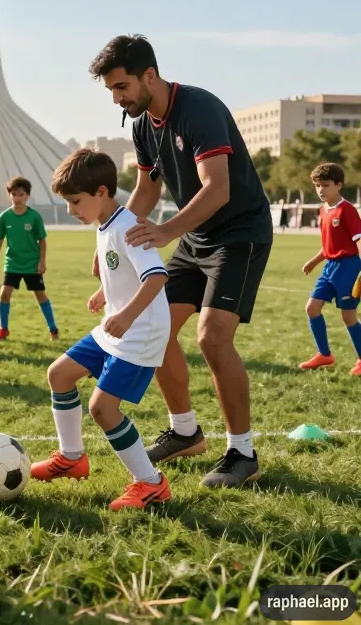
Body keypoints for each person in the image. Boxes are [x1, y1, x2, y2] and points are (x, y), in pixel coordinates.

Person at [89, 34, 272, 488]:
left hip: (239, 234)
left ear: (148, 75)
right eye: (112, 90)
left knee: (212, 339)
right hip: (195, 236)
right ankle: (185, 431)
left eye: (122, 87)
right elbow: (148, 191)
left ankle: (242, 453)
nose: (118, 98)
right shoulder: (141, 125)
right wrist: (115, 240)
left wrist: (168, 230)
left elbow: (218, 188)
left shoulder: (200, 109)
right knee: (155, 329)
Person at [31, 149, 172, 510]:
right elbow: (124, 272)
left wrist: (125, 315)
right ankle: (72, 457)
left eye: (75, 201)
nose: (70, 210)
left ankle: (151, 483)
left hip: (140, 332)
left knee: (103, 409)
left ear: (102, 193)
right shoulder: (105, 223)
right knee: (59, 375)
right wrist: (104, 293)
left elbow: (156, 276)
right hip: (118, 325)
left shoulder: (128, 227)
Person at [300, 163, 361, 376]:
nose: (320, 190)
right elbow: (328, 246)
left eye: (325, 185)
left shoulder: (347, 210)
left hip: (349, 267)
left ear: (338, 185)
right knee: (312, 308)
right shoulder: (323, 211)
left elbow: (359, 241)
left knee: (348, 317)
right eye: (317, 185)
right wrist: (313, 262)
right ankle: (324, 355)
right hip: (329, 268)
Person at [0, 177, 59, 341]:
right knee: (4, 294)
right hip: (12, 263)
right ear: (9, 196)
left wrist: (42, 262)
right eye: (14, 194)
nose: (17, 198)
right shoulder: (4, 217)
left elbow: (42, 240)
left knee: (40, 295)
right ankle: (3, 329)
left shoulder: (34, 217)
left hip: (31, 264)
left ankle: (53, 329)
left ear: (27, 196)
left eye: (21, 194)